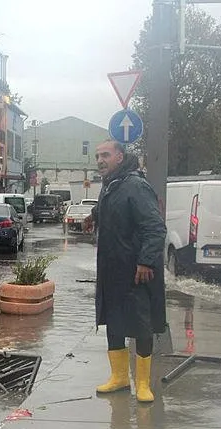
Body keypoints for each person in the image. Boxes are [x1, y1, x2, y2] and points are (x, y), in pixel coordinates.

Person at [85, 140, 166, 403]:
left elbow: (155, 228)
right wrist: (93, 216)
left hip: (136, 272)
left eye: (105, 155)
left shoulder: (136, 185)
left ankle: (143, 384)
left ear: (120, 156)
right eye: (97, 156)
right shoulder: (111, 184)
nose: (100, 160)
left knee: (141, 327)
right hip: (111, 270)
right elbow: (110, 209)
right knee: (114, 323)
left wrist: (145, 262)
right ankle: (119, 378)